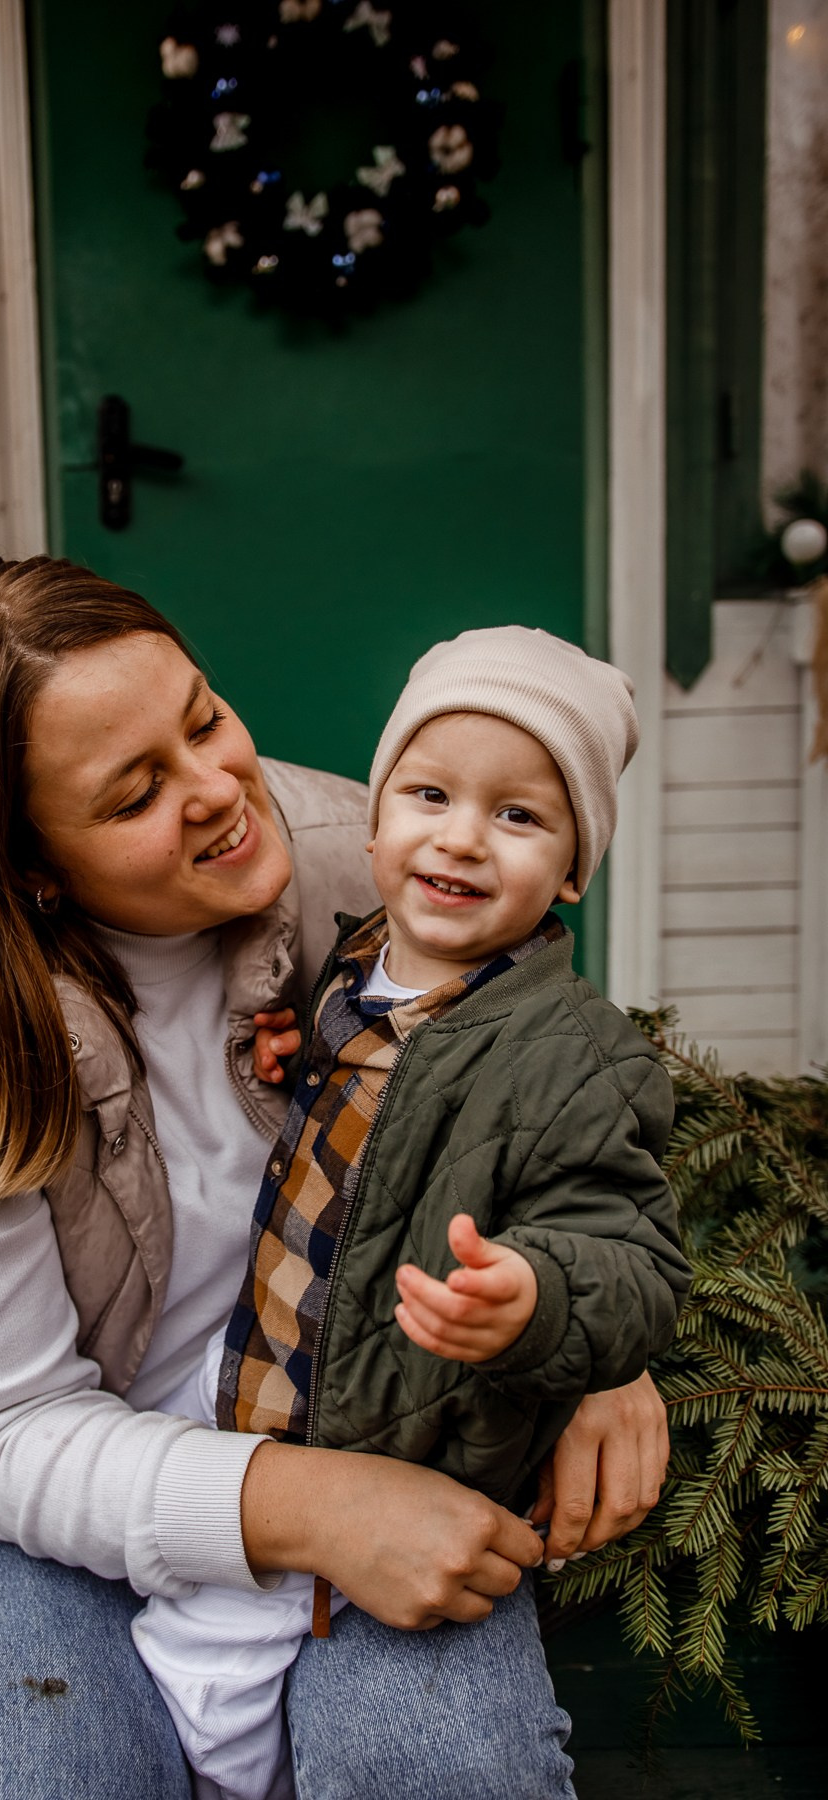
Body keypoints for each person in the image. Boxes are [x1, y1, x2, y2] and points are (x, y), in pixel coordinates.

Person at [0, 557, 674, 1800]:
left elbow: (547, 1104)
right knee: (56, 1767)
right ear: (29, 864)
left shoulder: (358, 857)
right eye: (135, 792)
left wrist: (589, 1345)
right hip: (27, 1503)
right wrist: (313, 1508)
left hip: (369, 1414)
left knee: (437, 1759)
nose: (220, 790)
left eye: (203, 717)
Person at [130, 627, 691, 1800]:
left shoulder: (578, 1060)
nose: (462, 837)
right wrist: (289, 1063)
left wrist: (537, 1297)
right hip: (265, 1412)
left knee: (265, 1720)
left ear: (575, 870)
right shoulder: (350, 975)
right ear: (376, 824)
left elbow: (632, 1255)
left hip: (409, 1452)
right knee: (194, 1690)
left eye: (520, 818)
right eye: (430, 795)